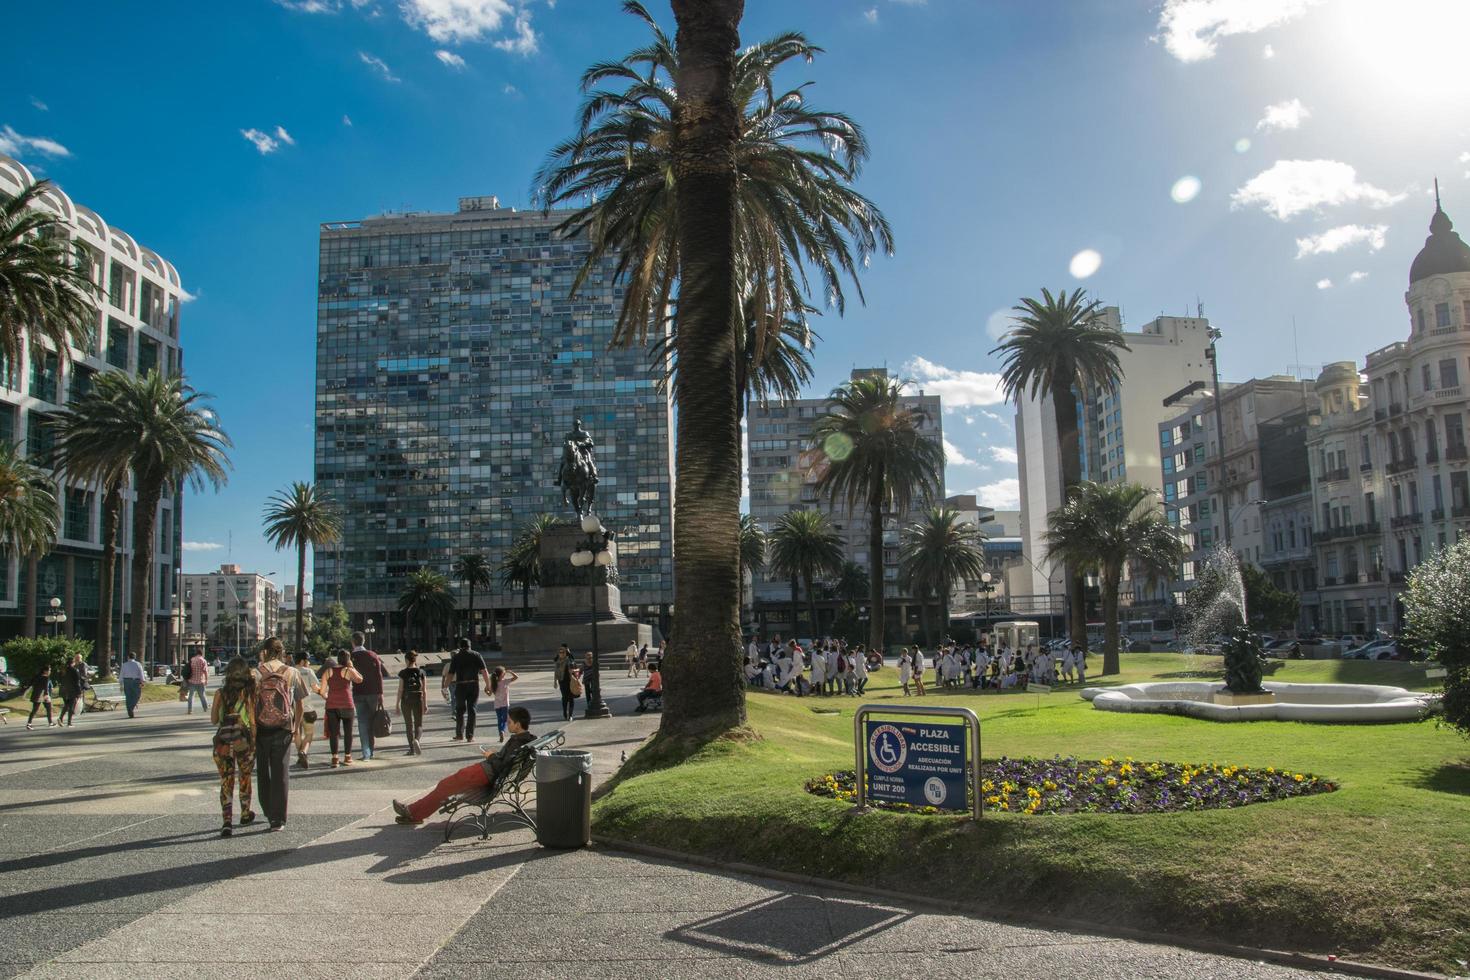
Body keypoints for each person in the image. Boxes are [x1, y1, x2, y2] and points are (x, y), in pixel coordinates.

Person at [393, 706, 535, 825]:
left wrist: (490, 756)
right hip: (485, 773)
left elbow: (500, 766)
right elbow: (506, 763)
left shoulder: (517, 742)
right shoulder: (525, 740)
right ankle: (414, 812)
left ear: (518, 724)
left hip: (484, 774)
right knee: (445, 786)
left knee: (444, 786)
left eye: (509, 722)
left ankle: (412, 812)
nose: (507, 723)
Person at [254, 638, 302, 832]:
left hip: (261, 727)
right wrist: (295, 726)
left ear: (265, 652)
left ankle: (267, 809)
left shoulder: (256, 673)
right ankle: (278, 818)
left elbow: (250, 702)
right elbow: (299, 704)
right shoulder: (292, 672)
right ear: (282, 652)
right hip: (284, 728)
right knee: (281, 772)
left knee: (263, 771)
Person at [210, 657, 257, 837]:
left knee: (226, 781)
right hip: (242, 743)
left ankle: (226, 820)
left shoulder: (220, 693)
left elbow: (214, 720)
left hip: (223, 743)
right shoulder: (249, 693)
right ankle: (245, 812)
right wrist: (253, 741)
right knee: (244, 777)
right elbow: (252, 721)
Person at [444, 638, 491, 742]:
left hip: (460, 686)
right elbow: (484, 670)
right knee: (472, 710)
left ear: (460, 646)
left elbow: (450, 674)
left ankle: (459, 734)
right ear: (470, 645)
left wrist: (445, 687)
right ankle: (470, 736)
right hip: (473, 684)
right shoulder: (476, 654)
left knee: (460, 710)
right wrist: (488, 685)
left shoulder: (456, 657)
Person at [349, 632, 387, 760]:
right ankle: (372, 750)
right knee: (372, 721)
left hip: (358, 693)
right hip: (373, 693)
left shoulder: (351, 657)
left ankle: (366, 752)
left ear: (353, 642)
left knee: (362, 723)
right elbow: (379, 675)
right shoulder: (372, 655)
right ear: (364, 641)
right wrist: (380, 693)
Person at [322, 650, 363, 767]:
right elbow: (360, 679)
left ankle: (334, 758)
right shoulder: (348, 671)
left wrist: (329, 698)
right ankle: (347, 757)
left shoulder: (328, 671)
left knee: (333, 733)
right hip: (347, 704)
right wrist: (352, 667)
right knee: (348, 732)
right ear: (348, 659)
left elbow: (322, 691)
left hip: (331, 706)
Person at [291, 654, 320, 769]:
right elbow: (315, 688)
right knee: (309, 734)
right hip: (307, 708)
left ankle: (300, 756)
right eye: (307, 660)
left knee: (296, 733)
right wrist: (323, 692)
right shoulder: (308, 671)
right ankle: (303, 752)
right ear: (303, 661)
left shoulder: (290, 671)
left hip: (293, 708)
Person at [398, 651, 428, 755]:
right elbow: (424, 690)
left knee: (408, 725)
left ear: (406, 660)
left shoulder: (403, 673)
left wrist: (397, 704)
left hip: (406, 699)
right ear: (415, 660)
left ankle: (411, 749)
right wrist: (425, 704)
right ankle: (417, 740)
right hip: (418, 698)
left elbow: (400, 689)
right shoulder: (421, 672)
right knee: (418, 724)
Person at [489, 666, 518, 743]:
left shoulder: (494, 683)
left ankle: (500, 732)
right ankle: (502, 731)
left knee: (499, 720)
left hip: (497, 704)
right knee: (504, 720)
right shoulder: (505, 681)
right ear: (502, 674)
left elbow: (489, 694)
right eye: (504, 672)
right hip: (505, 704)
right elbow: (516, 677)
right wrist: (510, 672)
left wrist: (487, 690)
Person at [57, 653, 87, 727]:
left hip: (64, 690)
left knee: (66, 705)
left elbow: (60, 679)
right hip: (72, 691)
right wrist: (79, 692)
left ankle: (60, 718)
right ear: (72, 663)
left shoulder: (63, 670)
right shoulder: (74, 670)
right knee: (71, 706)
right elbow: (77, 682)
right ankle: (69, 722)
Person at [25, 664, 54, 729]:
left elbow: (31, 683)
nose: (50, 671)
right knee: (48, 708)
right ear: (45, 671)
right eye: (49, 670)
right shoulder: (46, 677)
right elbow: (46, 687)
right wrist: (46, 694)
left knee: (34, 709)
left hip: (36, 695)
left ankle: (29, 723)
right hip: (43, 695)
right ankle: (50, 723)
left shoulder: (37, 676)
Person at [119, 651, 146, 718]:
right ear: (135, 657)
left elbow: (121, 674)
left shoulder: (124, 664)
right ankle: (131, 707)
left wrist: (121, 684)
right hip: (135, 681)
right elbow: (141, 673)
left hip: (126, 681)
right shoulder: (138, 664)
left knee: (128, 697)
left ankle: (129, 710)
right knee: (137, 695)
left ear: (128, 657)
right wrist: (142, 681)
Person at [554, 645, 577, 722]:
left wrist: (573, 672)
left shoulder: (569, 660)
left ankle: (570, 715)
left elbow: (574, 665)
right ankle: (564, 712)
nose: (561, 654)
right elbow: (556, 672)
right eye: (560, 652)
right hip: (562, 681)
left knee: (571, 698)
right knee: (564, 698)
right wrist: (555, 681)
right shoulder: (558, 661)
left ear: (566, 653)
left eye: (563, 652)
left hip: (570, 681)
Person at [185, 649, 209, 715]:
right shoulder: (203, 660)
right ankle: (205, 708)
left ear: (196, 653)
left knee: (191, 696)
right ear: (202, 653)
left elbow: (188, 669)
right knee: (202, 695)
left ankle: (190, 710)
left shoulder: (192, 659)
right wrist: (206, 680)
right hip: (201, 681)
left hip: (192, 681)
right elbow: (205, 671)